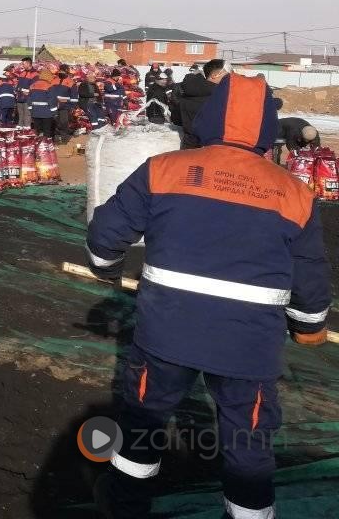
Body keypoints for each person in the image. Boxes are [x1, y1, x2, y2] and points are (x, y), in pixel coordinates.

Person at [87, 73, 330, 519]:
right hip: (248, 346)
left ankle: (124, 504)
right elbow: (309, 273)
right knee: (248, 438)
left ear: (210, 116)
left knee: (143, 418)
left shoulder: (164, 169)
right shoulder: (295, 194)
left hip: (166, 333)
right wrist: (308, 325)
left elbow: (106, 233)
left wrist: (106, 269)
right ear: (267, 129)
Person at [174, 59, 227, 149]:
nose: (230, 78)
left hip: (189, 147)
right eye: (227, 75)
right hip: (211, 148)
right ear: (214, 75)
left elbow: (176, 119)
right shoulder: (221, 95)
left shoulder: (187, 90)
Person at [27, 70, 57, 139]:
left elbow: (29, 99)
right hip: (47, 112)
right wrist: (54, 112)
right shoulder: (49, 86)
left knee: (37, 130)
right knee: (47, 131)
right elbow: (52, 100)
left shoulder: (32, 85)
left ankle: (37, 143)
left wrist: (31, 109)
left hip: (35, 112)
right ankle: (46, 143)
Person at [15, 58, 36, 128]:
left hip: (28, 98)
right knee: (20, 114)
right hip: (20, 97)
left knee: (27, 114)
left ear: (28, 63)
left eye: (23, 64)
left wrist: (27, 92)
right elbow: (18, 85)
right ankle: (20, 127)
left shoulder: (34, 74)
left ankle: (27, 129)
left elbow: (34, 86)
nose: (22, 65)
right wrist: (18, 90)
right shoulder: (22, 73)